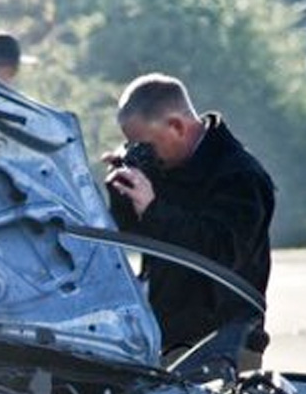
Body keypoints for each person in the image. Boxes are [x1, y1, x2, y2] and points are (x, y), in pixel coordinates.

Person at [103, 73, 275, 371]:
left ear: (177, 126)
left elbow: (221, 251)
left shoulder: (240, 175)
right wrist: (123, 190)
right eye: (131, 145)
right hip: (165, 337)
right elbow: (134, 233)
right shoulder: (167, 165)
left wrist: (153, 207)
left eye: (144, 145)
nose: (141, 154)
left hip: (223, 343)